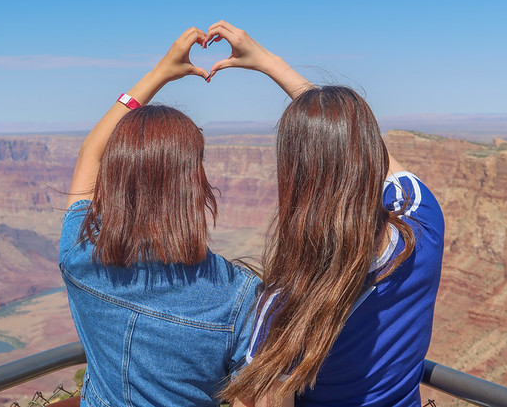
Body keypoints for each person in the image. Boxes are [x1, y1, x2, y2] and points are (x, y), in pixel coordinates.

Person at [205, 21, 445, 407]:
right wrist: (270, 62)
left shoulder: (290, 304)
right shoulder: (422, 223)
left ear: (296, 176)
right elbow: (360, 148)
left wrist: (267, 63)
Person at [59, 27, 260, 407]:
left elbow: (90, 153)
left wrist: (160, 72)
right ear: (193, 182)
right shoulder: (238, 296)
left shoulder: (79, 255)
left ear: (116, 175)